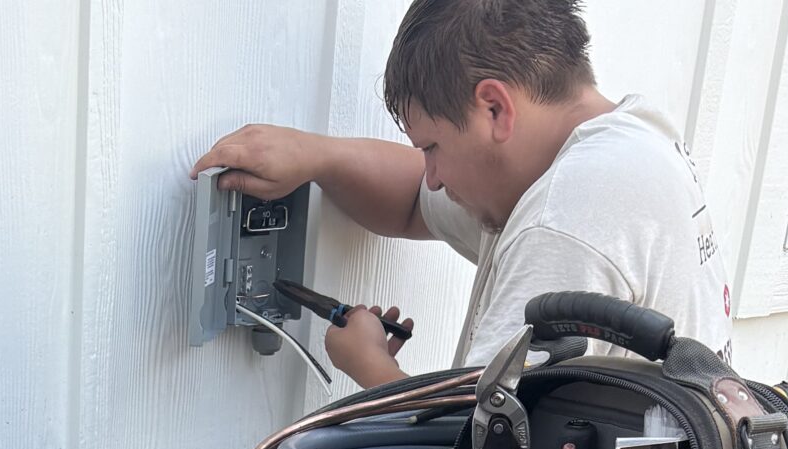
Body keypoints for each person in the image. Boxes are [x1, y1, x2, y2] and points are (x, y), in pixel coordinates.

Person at [194, 0, 731, 389]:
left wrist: (371, 369)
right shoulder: (628, 147)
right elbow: (410, 200)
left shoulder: (566, 218)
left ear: (494, 108)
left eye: (432, 147)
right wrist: (315, 156)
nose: (430, 175)